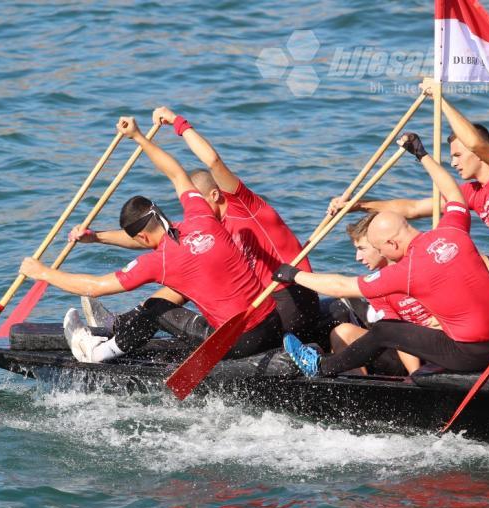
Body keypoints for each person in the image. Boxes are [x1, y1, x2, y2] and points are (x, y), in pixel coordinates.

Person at [18, 116, 283, 362]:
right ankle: (119, 325)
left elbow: (96, 286)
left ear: (143, 237)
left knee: (156, 306)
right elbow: (177, 174)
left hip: (239, 342)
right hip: (273, 323)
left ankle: (99, 352)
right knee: (190, 286)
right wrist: (139, 136)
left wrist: (43, 272)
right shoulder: (201, 216)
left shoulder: (158, 262)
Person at [329, 79, 489, 379]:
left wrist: (439, 99)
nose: (452, 163)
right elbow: (412, 209)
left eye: (456, 155)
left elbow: (477, 142)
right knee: (473, 264)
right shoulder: (472, 193)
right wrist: (358, 205)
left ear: (478, 154)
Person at [69, 107, 320, 343]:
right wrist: (97, 237)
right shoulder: (206, 229)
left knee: (189, 279)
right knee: (187, 276)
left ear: (213, 195)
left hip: (290, 298)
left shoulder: (244, 206)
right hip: (262, 307)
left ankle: (120, 328)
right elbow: (161, 237)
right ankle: (121, 325)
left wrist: (177, 123)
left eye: (196, 198)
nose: (192, 208)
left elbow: (213, 162)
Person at [272, 133, 489, 377]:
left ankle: (320, 367)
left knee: (385, 331)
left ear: (391, 243)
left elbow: (340, 286)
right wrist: (422, 154)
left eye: (379, 248)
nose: (380, 254)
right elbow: (453, 193)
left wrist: (293, 275)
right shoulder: (453, 232)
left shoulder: (405, 272)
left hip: (474, 353)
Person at [329, 212, 438, 375]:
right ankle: (355, 388)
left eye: (362, 249)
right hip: (402, 346)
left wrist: (416, 376)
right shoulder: (378, 283)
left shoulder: (412, 271)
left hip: (431, 351)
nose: (357, 257)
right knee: (342, 332)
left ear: (379, 245)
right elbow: (396, 332)